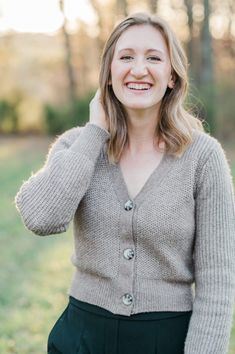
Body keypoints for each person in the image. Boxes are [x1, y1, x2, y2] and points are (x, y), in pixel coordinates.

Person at [15, 12, 235, 354]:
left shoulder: (203, 158)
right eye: (126, 57)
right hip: (81, 338)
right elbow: (41, 218)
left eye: (154, 58)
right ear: (109, 73)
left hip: (166, 340)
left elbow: (217, 280)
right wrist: (94, 134)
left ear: (172, 76)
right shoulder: (79, 145)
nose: (138, 69)